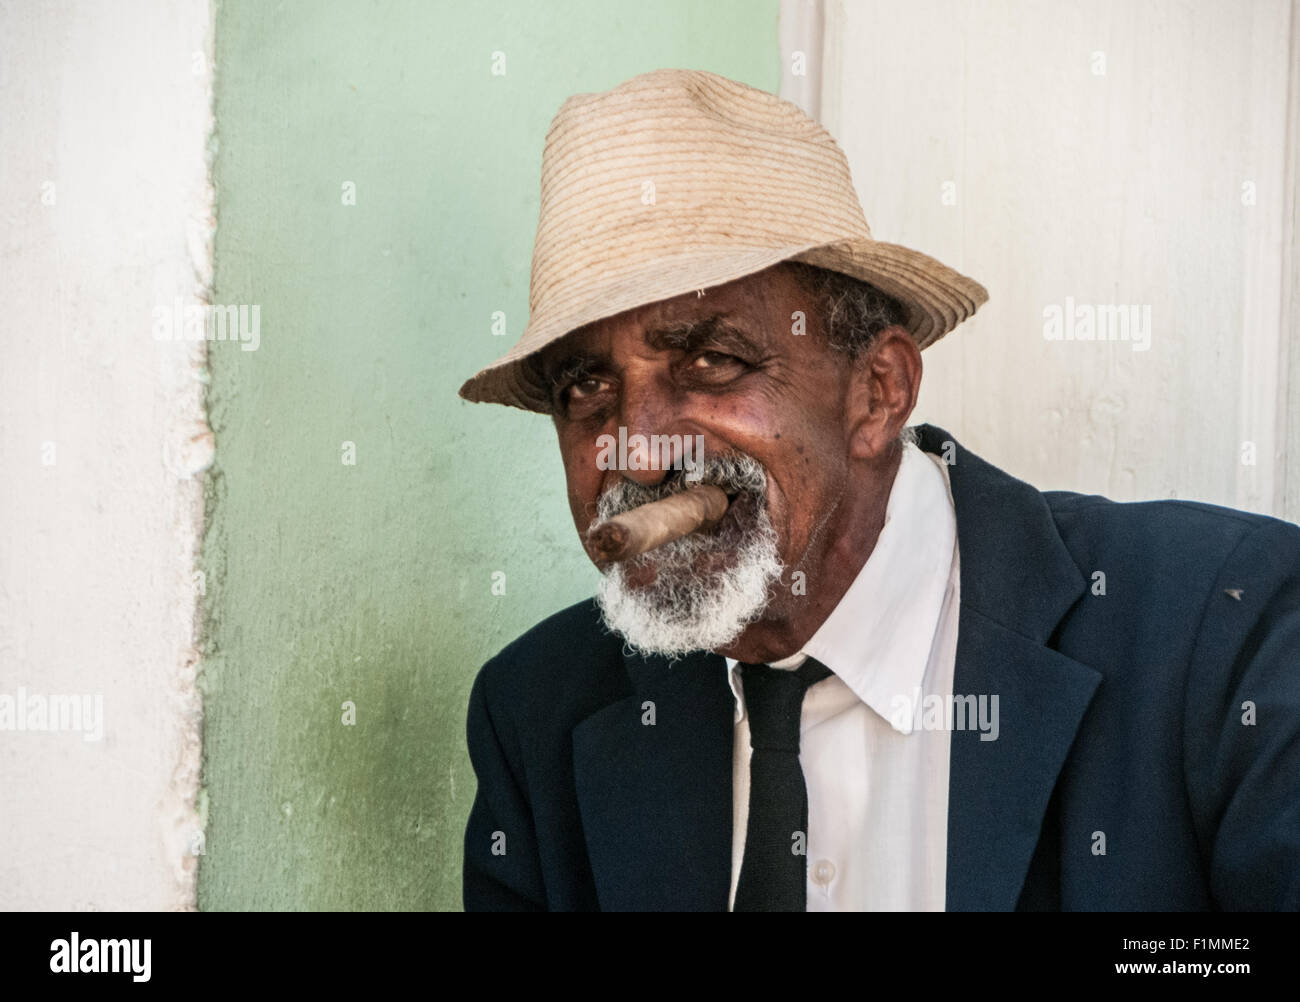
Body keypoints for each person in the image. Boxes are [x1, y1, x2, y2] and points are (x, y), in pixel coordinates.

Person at [457, 68, 1300, 911]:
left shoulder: (1225, 630)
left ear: (877, 393)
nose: (638, 456)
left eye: (711, 361)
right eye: (584, 389)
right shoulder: (538, 711)